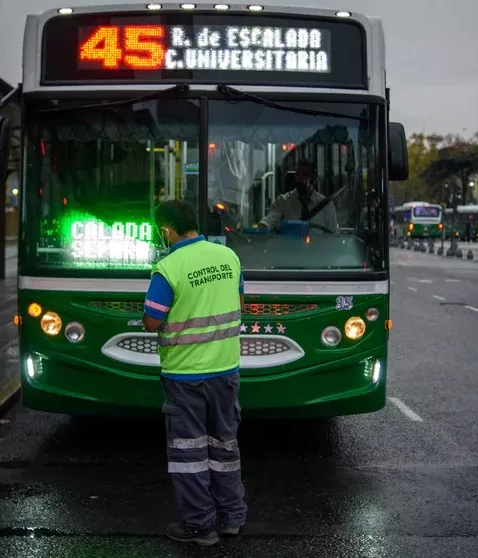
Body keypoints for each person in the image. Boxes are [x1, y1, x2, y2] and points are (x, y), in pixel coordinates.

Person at [142, 200, 247, 547]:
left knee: (189, 455)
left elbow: (152, 320)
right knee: (224, 448)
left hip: (185, 375)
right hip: (226, 372)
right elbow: (239, 303)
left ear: (166, 230)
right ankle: (232, 517)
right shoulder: (228, 257)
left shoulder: (168, 267)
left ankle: (201, 527)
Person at [257, 160, 339, 233]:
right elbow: (269, 221)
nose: (300, 179)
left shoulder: (327, 206)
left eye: (304, 175)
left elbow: (333, 235)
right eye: (297, 175)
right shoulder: (283, 201)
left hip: (317, 249)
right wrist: (263, 227)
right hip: (289, 248)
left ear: (313, 179)